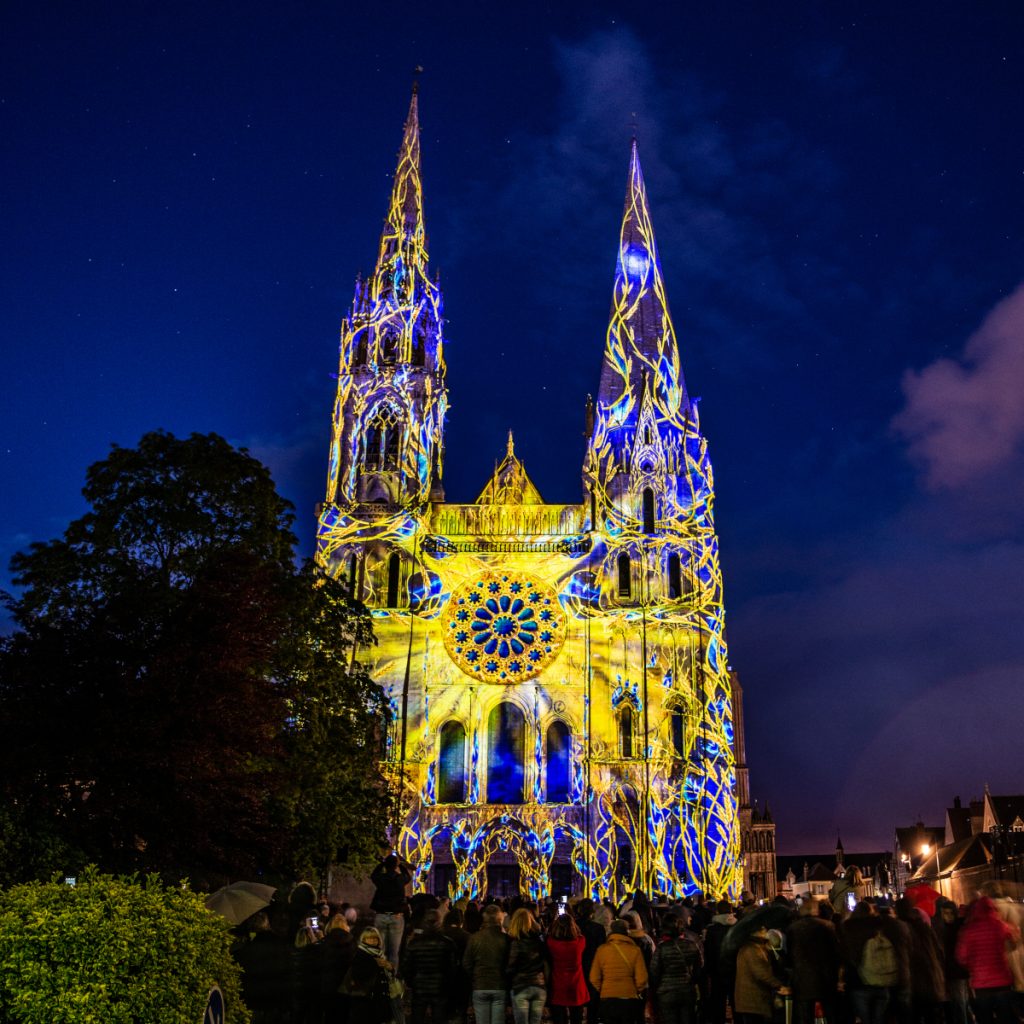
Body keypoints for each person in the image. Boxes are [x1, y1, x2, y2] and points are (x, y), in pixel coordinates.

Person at [956, 896, 1019, 1024]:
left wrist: (973, 966)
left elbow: (961, 957)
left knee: (985, 1018)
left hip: (981, 984)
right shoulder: (999, 925)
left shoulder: (968, 930)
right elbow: (1014, 940)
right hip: (1002, 981)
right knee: (1006, 1017)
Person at [786, 898, 840, 1024]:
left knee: (805, 1017)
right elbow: (836, 953)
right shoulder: (828, 926)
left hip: (802, 980)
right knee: (831, 1015)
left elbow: (789, 955)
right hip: (826, 978)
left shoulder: (793, 928)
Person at [234, 911, 293, 1024]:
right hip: (276, 1002)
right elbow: (287, 973)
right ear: (267, 925)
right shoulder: (282, 946)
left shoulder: (246, 950)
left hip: (253, 1002)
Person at [401, 908, 457, 1024]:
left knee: (417, 1017)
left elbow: (406, 966)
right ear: (439, 922)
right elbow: (452, 968)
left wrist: (411, 981)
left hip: (419, 985)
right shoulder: (447, 943)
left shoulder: (414, 943)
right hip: (440, 986)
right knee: (439, 1017)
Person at [590, 919, 649, 1024]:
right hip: (629, 997)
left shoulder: (602, 950)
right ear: (627, 932)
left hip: (608, 998)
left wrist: (603, 989)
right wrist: (636, 990)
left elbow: (594, 977)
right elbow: (642, 978)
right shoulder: (635, 950)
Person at [650, 912, 703, 1024]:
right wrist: (693, 980)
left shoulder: (662, 948)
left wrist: (655, 989)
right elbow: (699, 967)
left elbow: (654, 971)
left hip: (666, 992)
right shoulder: (692, 945)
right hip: (687, 990)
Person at [463, 904, 511, 1024]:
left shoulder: (474, 938)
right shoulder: (506, 939)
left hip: (480, 984)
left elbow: (466, 962)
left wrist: (474, 976)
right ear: (500, 919)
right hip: (499, 985)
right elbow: (510, 962)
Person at [733, 925, 790, 1024]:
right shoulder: (752, 949)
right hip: (752, 1000)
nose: (766, 931)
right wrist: (778, 986)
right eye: (763, 930)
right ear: (756, 932)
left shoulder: (759, 947)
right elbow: (760, 972)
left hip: (755, 998)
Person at [341, 927, 400, 1024]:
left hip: (378, 1000)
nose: (372, 940)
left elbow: (386, 975)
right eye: (369, 938)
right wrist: (374, 964)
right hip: (366, 1002)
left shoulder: (379, 954)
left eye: (375, 938)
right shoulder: (360, 954)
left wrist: (390, 968)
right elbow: (359, 975)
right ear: (363, 940)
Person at [547, 912, 590, 1024]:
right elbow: (580, 936)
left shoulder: (551, 943)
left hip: (558, 983)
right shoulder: (580, 942)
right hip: (576, 984)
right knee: (577, 1017)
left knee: (559, 1018)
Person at [371, 853, 412, 970]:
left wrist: (382, 864)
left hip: (381, 915)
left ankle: (381, 974)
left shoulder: (381, 879)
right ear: (396, 866)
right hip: (396, 916)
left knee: (381, 949)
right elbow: (407, 876)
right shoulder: (400, 879)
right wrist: (401, 865)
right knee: (394, 952)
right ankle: (392, 976)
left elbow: (373, 875)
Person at [507, 907, 547, 1024]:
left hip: (521, 986)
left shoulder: (516, 943)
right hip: (539, 985)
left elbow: (511, 966)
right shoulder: (540, 940)